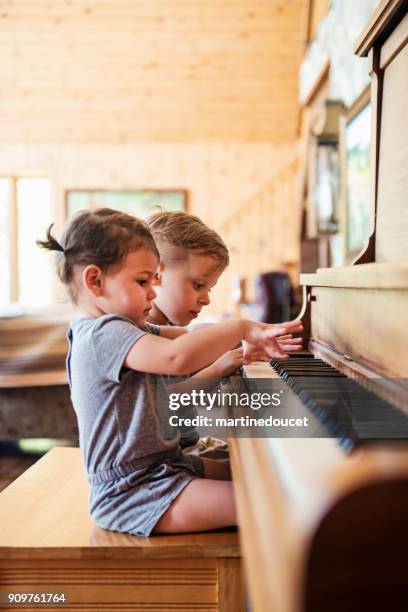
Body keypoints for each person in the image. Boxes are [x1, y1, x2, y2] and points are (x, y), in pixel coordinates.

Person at [38, 208, 303, 536]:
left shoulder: (127, 328)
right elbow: (177, 357)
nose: (152, 291)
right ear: (95, 281)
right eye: (143, 281)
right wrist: (242, 327)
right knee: (272, 498)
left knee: (259, 472)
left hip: (164, 468)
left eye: (154, 280)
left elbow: (191, 337)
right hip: (133, 492)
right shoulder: (100, 334)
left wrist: (255, 335)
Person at [147, 210, 303, 458]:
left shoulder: (164, 329)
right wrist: (220, 367)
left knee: (267, 461)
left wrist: (240, 344)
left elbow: (195, 334)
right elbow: (164, 402)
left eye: (210, 288)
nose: (207, 299)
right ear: (156, 274)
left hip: (184, 449)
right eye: (198, 285)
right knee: (263, 474)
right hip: (168, 463)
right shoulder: (140, 338)